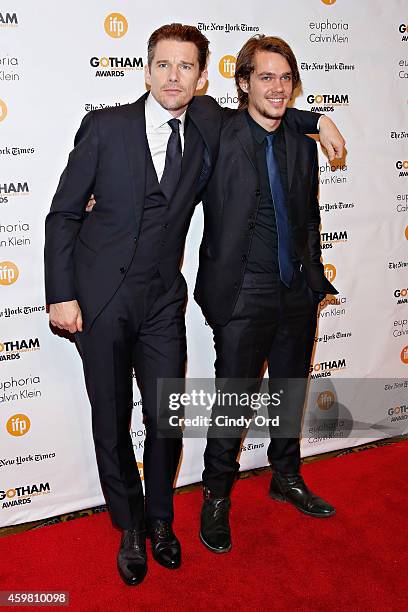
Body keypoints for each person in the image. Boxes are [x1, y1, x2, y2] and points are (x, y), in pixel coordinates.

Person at [44, 24, 343, 585]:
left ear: (202, 77)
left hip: (163, 302)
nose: (174, 76)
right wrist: (61, 293)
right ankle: (129, 526)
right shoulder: (106, 126)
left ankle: (161, 520)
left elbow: (268, 110)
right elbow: (63, 213)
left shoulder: (205, 120)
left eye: (186, 67)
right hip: (99, 300)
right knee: (111, 422)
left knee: (166, 418)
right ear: (148, 69)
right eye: (163, 65)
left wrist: (317, 119)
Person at [194, 35, 338, 554]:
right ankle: (215, 495)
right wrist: (319, 118)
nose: (277, 88)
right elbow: (187, 100)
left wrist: (313, 277)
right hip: (241, 293)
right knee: (234, 401)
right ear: (243, 82)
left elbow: (309, 216)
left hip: (295, 289)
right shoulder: (219, 130)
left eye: (285, 79)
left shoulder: (300, 143)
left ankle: (285, 476)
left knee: (288, 392)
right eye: (265, 77)